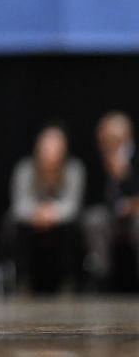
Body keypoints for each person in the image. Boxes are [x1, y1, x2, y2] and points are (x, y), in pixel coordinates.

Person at [6, 122, 85, 293]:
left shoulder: (74, 169)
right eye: (46, 147)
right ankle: (22, 280)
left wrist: (52, 213)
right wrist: (37, 213)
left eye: (56, 148)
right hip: (32, 223)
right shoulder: (25, 169)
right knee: (13, 222)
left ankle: (69, 282)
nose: (50, 154)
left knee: (74, 227)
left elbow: (73, 205)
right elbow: (19, 204)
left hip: (61, 224)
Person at [82, 111, 139, 291]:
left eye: (113, 137)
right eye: (104, 137)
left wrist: (126, 175)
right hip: (110, 214)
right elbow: (92, 198)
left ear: (127, 135)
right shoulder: (96, 160)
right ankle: (101, 278)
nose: (107, 141)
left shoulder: (136, 157)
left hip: (136, 212)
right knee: (94, 219)